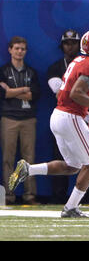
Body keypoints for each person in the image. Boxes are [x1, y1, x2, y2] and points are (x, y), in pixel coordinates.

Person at [8, 29, 89, 217]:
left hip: (60, 115)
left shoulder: (79, 61)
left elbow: (71, 97)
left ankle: (28, 169)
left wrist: (88, 115)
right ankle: (71, 207)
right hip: (69, 117)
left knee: (72, 166)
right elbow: (76, 94)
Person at [0, 36, 41, 205]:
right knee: (8, 158)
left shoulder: (31, 72)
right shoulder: (3, 71)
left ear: (26, 51)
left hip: (28, 119)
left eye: (22, 49)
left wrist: (13, 91)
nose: (19, 51)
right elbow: (3, 94)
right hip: (9, 118)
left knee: (29, 158)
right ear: (10, 49)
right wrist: (24, 89)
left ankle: (29, 195)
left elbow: (34, 95)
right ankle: (9, 196)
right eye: (16, 48)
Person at [47, 29, 81, 204]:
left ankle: (82, 195)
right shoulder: (55, 67)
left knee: (85, 157)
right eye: (67, 43)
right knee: (61, 156)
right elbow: (61, 94)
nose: (70, 46)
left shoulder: (87, 65)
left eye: (73, 43)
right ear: (62, 46)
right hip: (63, 116)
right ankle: (58, 196)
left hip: (81, 117)